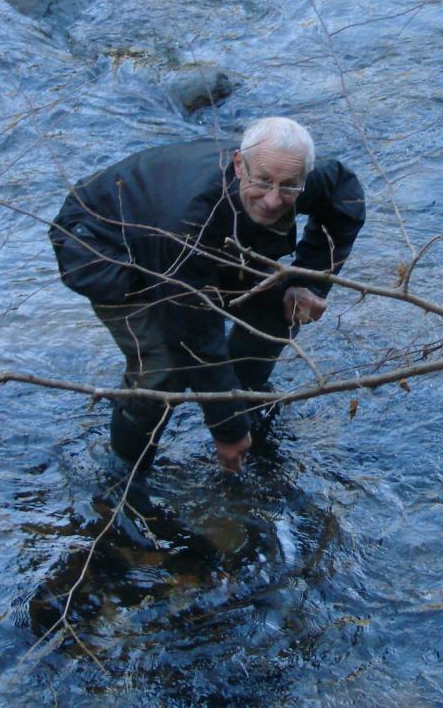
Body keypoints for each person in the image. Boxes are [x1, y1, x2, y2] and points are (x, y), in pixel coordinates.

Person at [50, 117, 365, 474]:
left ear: (303, 178)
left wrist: (309, 279)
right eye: (262, 181)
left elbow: (345, 193)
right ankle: (123, 474)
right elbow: (193, 335)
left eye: (289, 187)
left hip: (209, 239)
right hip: (103, 243)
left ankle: (248, 396)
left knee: (280, 303)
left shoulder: (295, 173)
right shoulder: (187, 223)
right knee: (164, 366)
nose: (275, 199)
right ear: (238, 165)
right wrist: (226, 430)